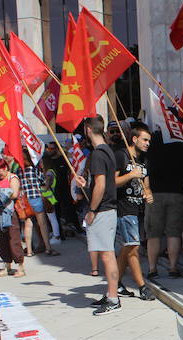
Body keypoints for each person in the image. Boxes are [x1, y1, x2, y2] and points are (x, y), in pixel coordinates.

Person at [75, 115, 122, 316]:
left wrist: (92, 210)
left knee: (107, 254)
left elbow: (102, 185)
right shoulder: (107, 151)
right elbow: (102, 183)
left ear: (87, 129)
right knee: (106, 254)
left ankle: (113, 298)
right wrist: (87, 186)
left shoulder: (97, 154)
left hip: (102, 210)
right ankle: (111, 294)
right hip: (107, 208)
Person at [146, 128, 183, 279]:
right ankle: (173, 268)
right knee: (174, 233)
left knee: (153, 234)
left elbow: (146, 167)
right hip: (178, 193)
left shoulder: (154, 139)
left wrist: (146, 189)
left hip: (154, 194)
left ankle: (152, 269)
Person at [113, 121, 155, 300]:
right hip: (124, 207)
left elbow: (146, 185)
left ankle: (115, 282)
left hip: (138, 209)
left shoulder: (144, 160)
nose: (147, 143)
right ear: (134, 139)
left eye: (149, 141)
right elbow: (112, 182)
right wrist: (130, 175)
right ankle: (142, 286)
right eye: (145, 140)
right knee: (133, 247)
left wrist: (149, 194)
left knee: (127, 247)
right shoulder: (121, 155)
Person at [0, 159, 25, 277]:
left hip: (10, 211)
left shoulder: (13, 178)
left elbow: (14, 194)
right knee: (2, 240)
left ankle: (20, 266)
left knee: (14, 239)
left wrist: (0, 192)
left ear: (6, 168)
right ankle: (7, 266)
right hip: (0, 212)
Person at [17, 149, 58, 257]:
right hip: (36, 198)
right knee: (42, 224)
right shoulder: (34, 169)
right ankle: (48, 248)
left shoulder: (19, 171)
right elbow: (42, 181)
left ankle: (29, 251)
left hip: (25, 200)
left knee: (28, 225)